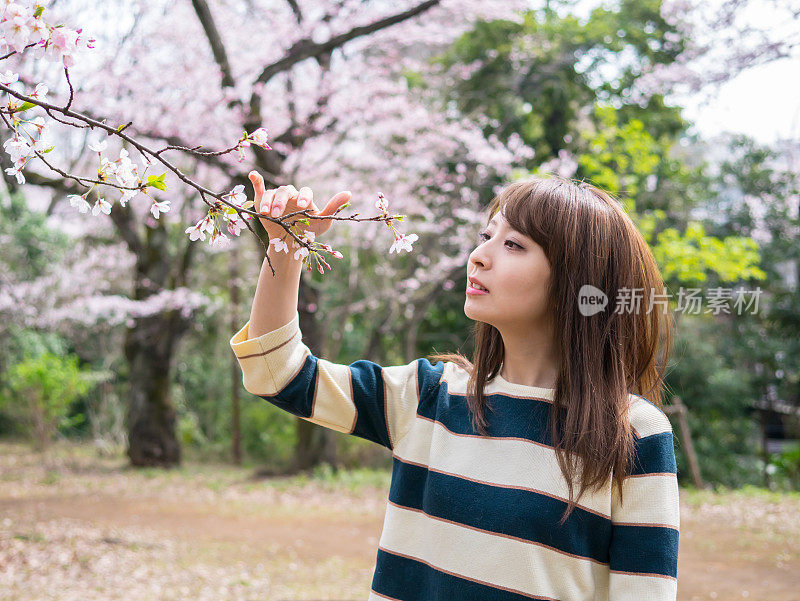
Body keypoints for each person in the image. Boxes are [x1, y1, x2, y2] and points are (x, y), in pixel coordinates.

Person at [230, 172, 679, 601]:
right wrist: (286, 248)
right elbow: (278, 372)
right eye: (486, 237)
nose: (480, 256)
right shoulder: (429, 397)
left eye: (514, 245)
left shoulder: (633, 431)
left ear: (577, 280)